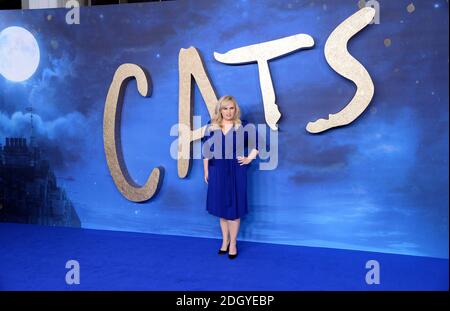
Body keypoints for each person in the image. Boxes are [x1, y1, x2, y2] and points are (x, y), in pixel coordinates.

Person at [202, 95, 259, 259]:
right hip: (217, 170)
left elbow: (259, 145)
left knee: (234, 209)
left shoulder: (244, 126)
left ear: (236, 109)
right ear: (220, 110)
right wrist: (206, 171)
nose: (228, 112)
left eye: (231, 108)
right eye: (225, 108)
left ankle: (233, 243)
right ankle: (224, 241)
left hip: (236, 170)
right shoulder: (212, 126)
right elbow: (206, 151)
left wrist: (249, 158)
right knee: (221, 209)